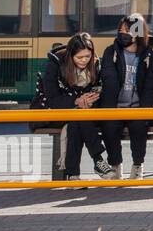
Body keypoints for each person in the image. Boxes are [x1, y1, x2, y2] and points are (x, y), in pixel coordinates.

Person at [44, 33, 119, 181]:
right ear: (70, 55)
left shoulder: (96, 64)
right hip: (57, 112)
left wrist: (90, 101)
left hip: (86, 114)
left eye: (88, 56)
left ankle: (73, 175)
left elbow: (101, 94)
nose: (84, 60)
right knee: (79, 117)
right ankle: (98, 160)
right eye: (79, 57)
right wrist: (76, 101)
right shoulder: (56, 64)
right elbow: (52, 100)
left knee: (77, 120)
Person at [97, 14, 153, 180]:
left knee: (139, 127)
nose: (122, 33)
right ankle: (115, 165)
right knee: (110, 127)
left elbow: (151, 87)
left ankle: (137, 165)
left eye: (127, 31)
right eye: (121, 30)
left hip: (138, 107)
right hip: (115, 107)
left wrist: (143, 111)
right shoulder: (111, 52)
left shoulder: (151, 55)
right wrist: (110, 110)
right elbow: (108, 79)